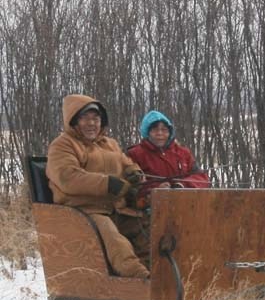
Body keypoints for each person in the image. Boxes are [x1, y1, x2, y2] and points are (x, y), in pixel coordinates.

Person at [46, 94, 149, 279]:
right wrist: (109, 184)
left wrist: (134, 173)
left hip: (116, 208)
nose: (91, 123)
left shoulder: (109, 144)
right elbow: (68, 178)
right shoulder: (62, 145)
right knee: (114, 237)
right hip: (83, 211)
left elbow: (127, 164)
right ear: (73, 121)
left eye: (96, 118)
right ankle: (139, 278)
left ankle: (165, 273)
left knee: (149, 227)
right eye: (85, 118)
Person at [126, 110, 210, 206]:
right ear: (147, 132)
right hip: (150, 210)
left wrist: (182, 185)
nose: (160, 133)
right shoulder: (134, 154)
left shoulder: (183, 153)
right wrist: (156, 189)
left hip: (186, 206)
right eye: (155, 129)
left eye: (164, 129)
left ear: (170, 132)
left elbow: (202, 178)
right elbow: (130, 187)